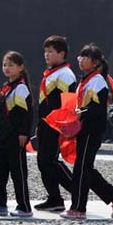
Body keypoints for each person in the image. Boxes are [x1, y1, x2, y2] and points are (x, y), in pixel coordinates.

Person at [63, 44, 113, 220]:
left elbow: (95, 109)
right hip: (84, 129)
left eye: (86, 57)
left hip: (91, 130)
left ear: (96, 62)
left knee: (81, 168)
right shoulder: (86, 80)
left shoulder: (97, 81)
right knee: (84, 167)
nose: (81, 60)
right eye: (80, 56)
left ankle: (79, 208)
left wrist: (77, 115)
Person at [0, 51, 33, 217]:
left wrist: (23, 133)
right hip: (6, 135)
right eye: (4, 65)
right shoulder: (8, 87)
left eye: (11, 65)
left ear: (20, 67)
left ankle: (24, 207)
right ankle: (0, 204)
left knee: (18, 172)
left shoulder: (21, 87)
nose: (6, 68)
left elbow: (25, 113)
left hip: (16, 135)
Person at [35, 35, 75, 212]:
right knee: (43, 161)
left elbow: (65, 102)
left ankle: (76, 190)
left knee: (49, 161)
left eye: (51, 51)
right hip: (45, 123)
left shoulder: (65, 74)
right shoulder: (51, 73)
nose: (46, 55)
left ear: (62, 54)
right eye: (45, 51)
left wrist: (61, 125)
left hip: (56, 124)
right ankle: (54, 198)